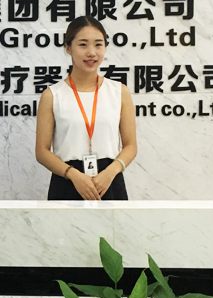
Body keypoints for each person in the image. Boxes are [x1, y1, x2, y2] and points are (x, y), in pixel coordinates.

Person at [35, 16, 137, 200]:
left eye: (98, 45)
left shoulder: (119, 91)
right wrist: (73, 175)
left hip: (109, 182)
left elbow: (130, 146)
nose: (91, 52)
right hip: (66, 181)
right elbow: (42, 151)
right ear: (68, 48)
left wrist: (110, 172)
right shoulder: (52, 95)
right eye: (83, 45)